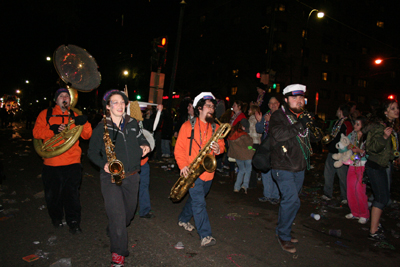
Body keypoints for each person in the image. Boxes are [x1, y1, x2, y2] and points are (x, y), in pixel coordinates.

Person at [87, 90, 150, 267]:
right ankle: (118, 255)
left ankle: (114, 228)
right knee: (117, 215)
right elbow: (91, 152)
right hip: (110, 177)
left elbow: (141, 138)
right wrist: (103, 164)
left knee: (127, 215)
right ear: (108, 107)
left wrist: (144, 145)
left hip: (132, 176)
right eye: (115, 102)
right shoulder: (101, 127)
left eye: (122, 102)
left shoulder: (133, 123)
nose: (120, 105)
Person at [269, 84, 320, 253]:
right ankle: (283, 235)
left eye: (301, 98)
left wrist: (314, 127)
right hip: (282, 165)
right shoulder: (279, 115)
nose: (299, 101)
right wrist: (301, 124)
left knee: (292, 202)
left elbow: (312, 139)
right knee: (292, 200)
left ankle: (283, 229)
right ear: (286, 99)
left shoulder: (303, 115)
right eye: (294, 97)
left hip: (299, 166)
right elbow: (279, 134)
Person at [33, 88, 92, 233]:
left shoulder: (75, 114)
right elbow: (36, 133)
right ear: (56, 100)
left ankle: (74, 222)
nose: (65, 98)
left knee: (72, 194)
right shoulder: (45, 114)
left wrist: (83, 122)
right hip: (52, 162)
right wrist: (52, 130)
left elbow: (87, 135)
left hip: (72, 161)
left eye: (67, 96)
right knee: (53, 195)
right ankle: (57, 218)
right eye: (61, 96)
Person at [174, 92, 225, 247]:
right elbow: (179, 149)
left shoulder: (216, 126)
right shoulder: (187, 126)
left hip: (208, 173)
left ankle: (183, 219)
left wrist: (218, 148)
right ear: (200, 109)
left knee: (196, 199)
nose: (212, 109)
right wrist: (183, 165)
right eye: (209, 106)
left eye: (213, 107)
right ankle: (205, 235)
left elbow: (222, 146)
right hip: (192, 171)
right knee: (199, 202)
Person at [365, 99, 399, 241]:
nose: (396, 110)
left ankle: (376, 226)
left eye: (397, 108)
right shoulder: (379, 127)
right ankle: (373, 231)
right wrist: (384, 137)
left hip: (383, 165)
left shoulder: (390, 126)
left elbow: (388, 150)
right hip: (375, 166)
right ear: (385, 112)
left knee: (383, 197)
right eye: (392, 108)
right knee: (382, 198)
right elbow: (372, 148)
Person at [322, 103, 353, 204]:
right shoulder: (337, 122)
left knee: (342, 176)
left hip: (341, 154)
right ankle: (327, 194)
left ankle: (345, 196)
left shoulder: (347, 123)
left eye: (337, 110)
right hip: (332, 152)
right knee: (328, 174)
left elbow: (349, 138)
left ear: (340, 110)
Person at [341, 116, 369, 224]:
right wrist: (346, 147)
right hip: (352, 164)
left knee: (359, 190)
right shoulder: (352, 135)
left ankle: (364, 214)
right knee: (351, 189)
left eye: (358, 124)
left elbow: (370, 152)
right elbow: (343, 145)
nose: (355, 126)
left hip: (362, 165)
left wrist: (360, 150)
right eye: (355, 124)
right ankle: (354, 212)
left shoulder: (367, 137)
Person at [256, 96, 281, 204]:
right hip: (267, 147)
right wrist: (259, 121)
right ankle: (267, 195)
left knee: (276, 172)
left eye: (275, 103)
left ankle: (275, 196)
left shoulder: (282, 115)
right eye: (271, 103)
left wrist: (270, 122)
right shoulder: (267, 114)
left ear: (279, 104)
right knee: (265, 170)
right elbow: (259, 130)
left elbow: (281, 131)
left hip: (278, 147)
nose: (273, 105)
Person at [227, 118, 255, 194]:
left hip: (238, 156)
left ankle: (236, 187)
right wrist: (253, 149)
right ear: (243, 127)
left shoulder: (232, 134)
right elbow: (249, 146)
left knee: (241, 170)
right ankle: (244, 186)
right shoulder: (244, 136)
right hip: (247, 156)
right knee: (248, 170)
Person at [247, 104, 262, 188]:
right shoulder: (257, 120)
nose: (248, 111)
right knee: (253, 163)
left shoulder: (251, 119)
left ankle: (251, 183)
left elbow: (248, 133)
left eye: (249, 109)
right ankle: (254, 182)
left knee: (250, 163)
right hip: (256, 144)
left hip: (251, 144)